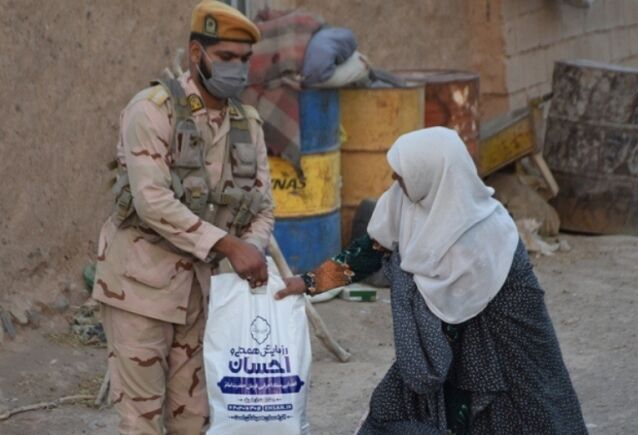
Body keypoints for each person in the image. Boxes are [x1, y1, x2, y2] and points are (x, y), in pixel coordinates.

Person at [276, 127, 587, 434]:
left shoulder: (485, 235)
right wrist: (308, 282)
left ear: (433, 175)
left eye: (401, 176)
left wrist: (424, 360)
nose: (394, 182)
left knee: (531, 409)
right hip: (444, 336)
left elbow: (454, 320)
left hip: (502, 342)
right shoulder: (405, 201)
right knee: (398, 407)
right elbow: (368, 252)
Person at [92, 2, 274, 433]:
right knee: (142, 421)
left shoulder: (247, 122)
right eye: (227, 57)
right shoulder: (153, 110)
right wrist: (229, 245)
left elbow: (263, 206)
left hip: (204, 295)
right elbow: (152, 200)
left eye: (245, 60)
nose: (238, 69)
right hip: (141, 288)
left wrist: (252, 250)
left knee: (195, 420)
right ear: (197, 54)